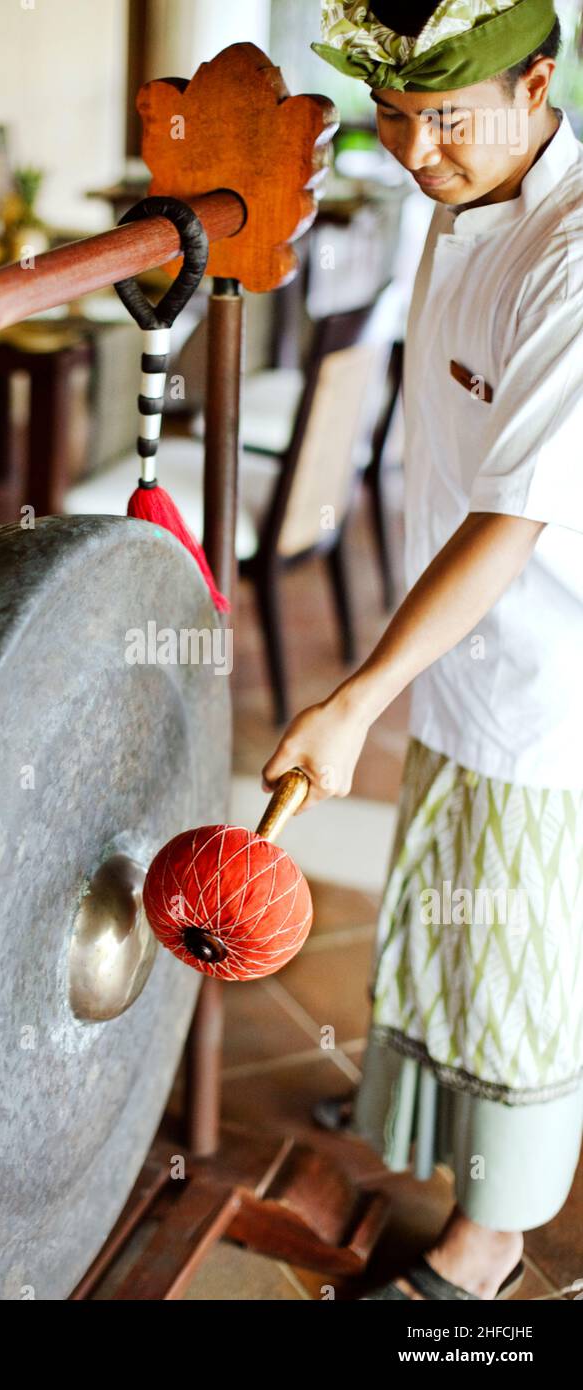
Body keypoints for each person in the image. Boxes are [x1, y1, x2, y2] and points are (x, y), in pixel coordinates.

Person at [262, 0, 583, 1301]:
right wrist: (391, 680)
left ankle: (492, 1245)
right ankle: (427, 1136)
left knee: (513, 955)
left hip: (546, 671)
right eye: (390, 118)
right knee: (444, 916)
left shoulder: (573, 249)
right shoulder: (454, 195)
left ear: (542, 79)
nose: (412, 150)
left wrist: (353, 694)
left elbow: (514, 519)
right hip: (452, 649)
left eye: (441, 118)